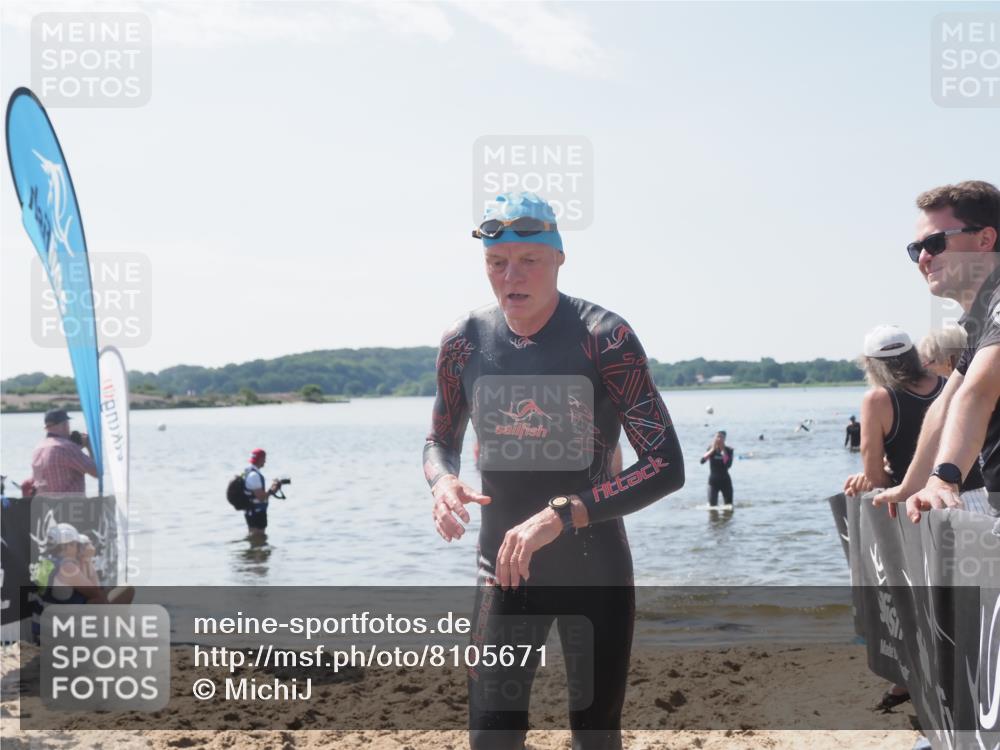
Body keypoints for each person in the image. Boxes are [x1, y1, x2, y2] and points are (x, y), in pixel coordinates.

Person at [423, 191, 684, 750]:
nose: (511, 276)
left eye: (529, 260)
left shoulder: (603, 338)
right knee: (490, 736)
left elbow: (666, 465)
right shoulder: (463, 342)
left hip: (595, 566)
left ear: (559, 258)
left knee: (594, 735)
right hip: (503, 567)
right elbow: (438, 442)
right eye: (497, 262)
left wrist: (563, 514)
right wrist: (443, 483)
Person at [842, 324, 987, 710]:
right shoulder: (946, 382)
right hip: (979, 501)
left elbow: (875, 476)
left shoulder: (878, 399)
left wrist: (879, 477)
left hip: (924, 508)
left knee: (927, 608)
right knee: (980, 607)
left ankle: (926, 690)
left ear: (872, 365)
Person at [874, 181, 1000, 521]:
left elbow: (979, 393)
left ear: (985, 240)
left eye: (934, 243)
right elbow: (948, 402)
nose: (924, 258)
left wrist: (944, 479)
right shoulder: (981, 319)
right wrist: (911, 486)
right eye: (916, 249)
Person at [30, 409, 98, 494]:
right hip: (72, 505)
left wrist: (77, 449)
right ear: (64, 425)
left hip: (46, 505)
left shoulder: (38, 449)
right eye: (67, 424)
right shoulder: (67, 447)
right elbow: (96, 472)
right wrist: (89, 446)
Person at [241, 448, 282, 536]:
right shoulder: (254, 475)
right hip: (257, 512)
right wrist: (274, 488)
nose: (265, 461)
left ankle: (255, 548)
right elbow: (261, 497)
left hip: (251, 511)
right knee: (259, 536)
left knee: (253, 537)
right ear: (260, 459)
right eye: (264, 458)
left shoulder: (247, 472)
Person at [700, 431, 734, 507]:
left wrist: (723, 450)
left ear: (724, 439)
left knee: (729, 506)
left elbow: (728, 465)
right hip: (713, 482)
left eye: (721, 437)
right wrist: (712, 450)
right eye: (717, 437)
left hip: (725, 481)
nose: (719, 439)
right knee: (712, 506)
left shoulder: (729, 450)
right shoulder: (710, 449)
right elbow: (702, 461)